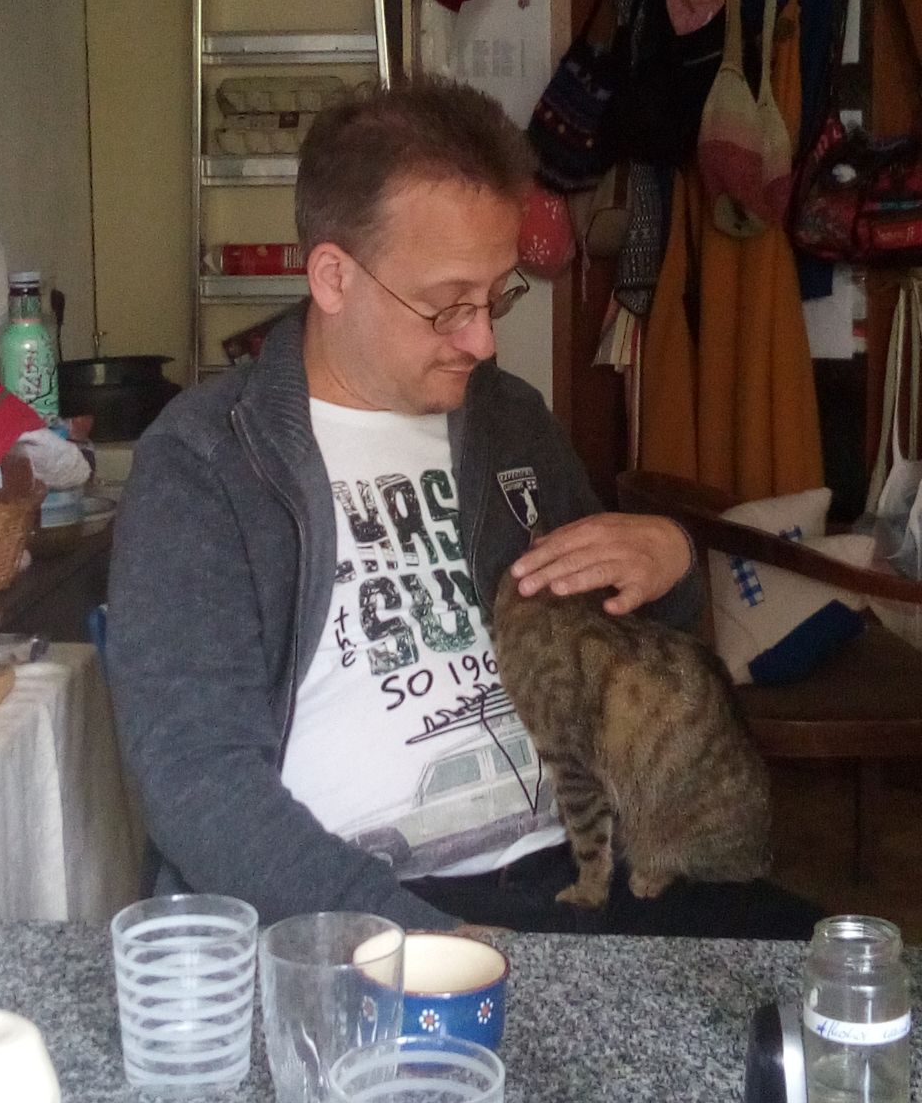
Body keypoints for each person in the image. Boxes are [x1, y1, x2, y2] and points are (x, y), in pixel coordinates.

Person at [106, 76, 820, 939]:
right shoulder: (206, 462)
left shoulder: (509, 420)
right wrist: (405, 935)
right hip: (362, 906)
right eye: (448, 307)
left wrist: (669, 566)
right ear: (333, 277)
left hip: (589, 864)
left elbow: (624, 648)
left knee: (847, 990)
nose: (482, 340)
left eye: (497, 296)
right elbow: (198, 784)